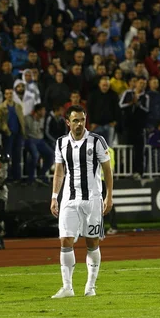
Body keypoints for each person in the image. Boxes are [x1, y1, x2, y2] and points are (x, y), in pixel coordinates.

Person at [50, 105, 113, 298]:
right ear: (68, 122)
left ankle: (90, 286)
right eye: (75, 120)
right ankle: (67, 287)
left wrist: (109, 196)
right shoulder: (61, 143)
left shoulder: (97, 141)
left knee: (92, 242)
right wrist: (54, 196)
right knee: (65, 240)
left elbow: (107, 170)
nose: (79, 124)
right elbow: (59, 171)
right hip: (68, 199)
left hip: (92, 199)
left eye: (82, 120)